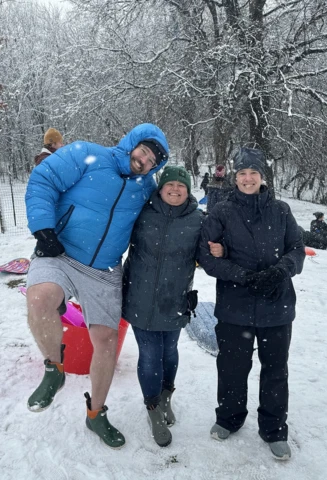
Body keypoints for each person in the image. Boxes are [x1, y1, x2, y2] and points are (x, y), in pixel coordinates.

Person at [24, 123, 169, 449]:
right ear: (133, 143)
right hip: (58, 251)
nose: (144, 160)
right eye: (144, 150)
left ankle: (95, 415)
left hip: (103, 268)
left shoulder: (146, 188)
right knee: (40, 300)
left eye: (152, 160)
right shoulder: (85, 153)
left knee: (105, 340)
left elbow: (168, 213)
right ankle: (54, 369)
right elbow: (42, 181)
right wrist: (43, 228)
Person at [198, 146, 305, 461]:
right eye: (242, 173)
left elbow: (297, 249)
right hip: (235, 305)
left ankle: (274, 428)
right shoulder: (222, 211)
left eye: (253, 173)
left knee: (275, 369)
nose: (247, 179)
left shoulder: (281, 210)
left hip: (277, 304)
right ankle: (229, 417)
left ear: (262, 176)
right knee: (232, 366)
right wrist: (244, 276)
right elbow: (206, 256)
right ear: (235, 176)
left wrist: (276, 274)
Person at [122, 166, 223, 447]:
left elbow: (206, 258)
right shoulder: (141, 213)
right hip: (140, 298)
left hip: (175, 299)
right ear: (161, 188)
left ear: (189, 190)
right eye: (170, 185)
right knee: (150, 354)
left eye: (182, 186)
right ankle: (153, 408)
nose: (175, 189)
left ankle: (166, 396)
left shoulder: (198, 220)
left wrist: (219, 251)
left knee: (169, 352)